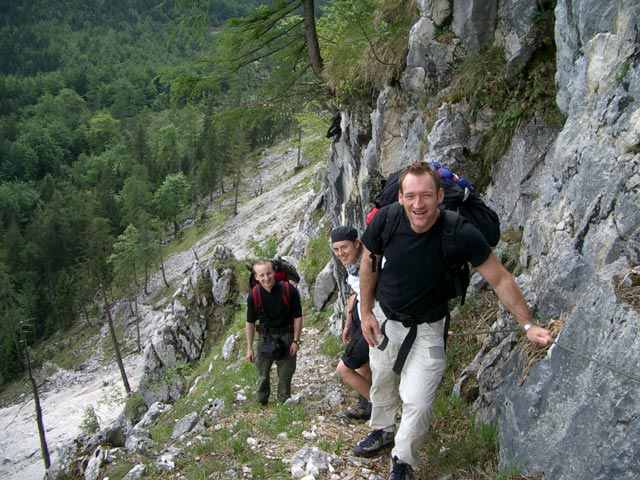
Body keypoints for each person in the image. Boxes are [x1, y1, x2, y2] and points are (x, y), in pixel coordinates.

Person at [355, 162, 554, 479]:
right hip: (385, 319)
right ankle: (381, 428)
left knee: (418, 401)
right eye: (411, 196)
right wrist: (365, 312)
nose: (418, 205)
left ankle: (403, 461)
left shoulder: (459, 232)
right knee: (382, 380)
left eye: (426, 196)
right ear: (401, 198)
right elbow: (369, 260)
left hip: (430, 328)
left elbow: (500, 278)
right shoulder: (388, 219)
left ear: (439, 195)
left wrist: (528, 326)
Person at [246, 259, 303, 405]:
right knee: (262, 373)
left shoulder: (289, 290)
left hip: (286, 335)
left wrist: (296, 341)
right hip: (264, 337)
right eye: (262, 275)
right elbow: (250, 322)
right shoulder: (254, 296)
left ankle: (284, 402)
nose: (266, 278)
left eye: (269, 273)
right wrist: (249, 348)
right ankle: (261, 401)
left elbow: (297, 317)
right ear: (256, 277)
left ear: (274, 273)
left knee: (285, 373)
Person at [331, 226, 372, 420]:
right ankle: (367, 405)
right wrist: (348, 322)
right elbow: (356, 292)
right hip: (358, 317)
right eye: (336, 249)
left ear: (357, 243)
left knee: (344, 369)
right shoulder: (353, 264)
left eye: (344, 247)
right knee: (362, 365)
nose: (340, 253)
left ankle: (382, 407)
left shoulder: (369, 262)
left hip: (371, 321)